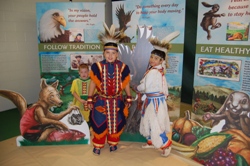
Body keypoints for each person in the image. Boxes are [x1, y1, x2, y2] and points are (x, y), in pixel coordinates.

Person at [87, 23, 131, 155]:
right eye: (108, 53)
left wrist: (128, 96)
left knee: (115, 123)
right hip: (101, 101)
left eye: (113, 53)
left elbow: (126, 83)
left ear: (117, 53)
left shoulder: (123, 67)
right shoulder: (97, 67)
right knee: (99, 122)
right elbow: (93, 83)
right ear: (103, 53)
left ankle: (113, 143)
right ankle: (98, 144)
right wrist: (89, 98)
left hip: (117, 101)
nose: (110, 55)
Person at [135, 31, 180, 157]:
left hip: (155, 102)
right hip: (153, 100)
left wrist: (137, 87)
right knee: (148, 121)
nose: (152, 60)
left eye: (156, 58)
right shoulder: (155, 70)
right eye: (151, 57)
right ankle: (151, 141)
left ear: (161, 61)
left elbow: (146, 87)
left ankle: (166, 144)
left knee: (155, 123)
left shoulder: (154, 72)